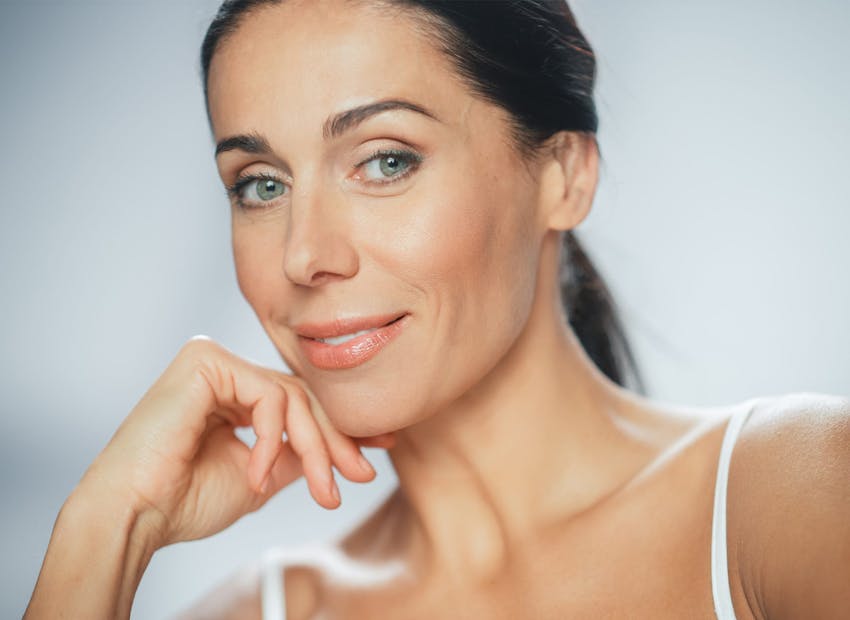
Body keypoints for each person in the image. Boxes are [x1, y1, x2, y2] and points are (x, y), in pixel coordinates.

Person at [24, 0, 850, 618]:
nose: (305, 255)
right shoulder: (264, 613)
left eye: (385, 161)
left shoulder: (791, 495)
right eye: (261, 184)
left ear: (564, 172)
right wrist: (108, 526)